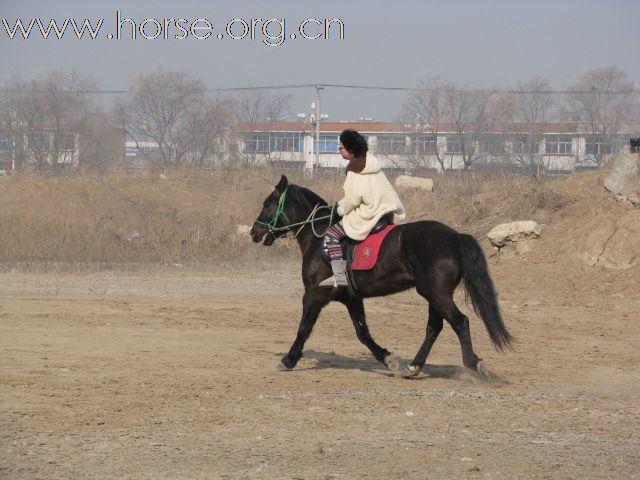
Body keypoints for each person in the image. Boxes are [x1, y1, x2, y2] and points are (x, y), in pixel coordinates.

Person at [319, 129, 406, 287]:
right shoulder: (372, 164)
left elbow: (352, 200)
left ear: (350, 150)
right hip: (385, 213)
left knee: (332, 234)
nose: (339, 150)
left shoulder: (355, 170)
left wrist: (338, 209)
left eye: (341, 147)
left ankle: (339, 276)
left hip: (368, 214)